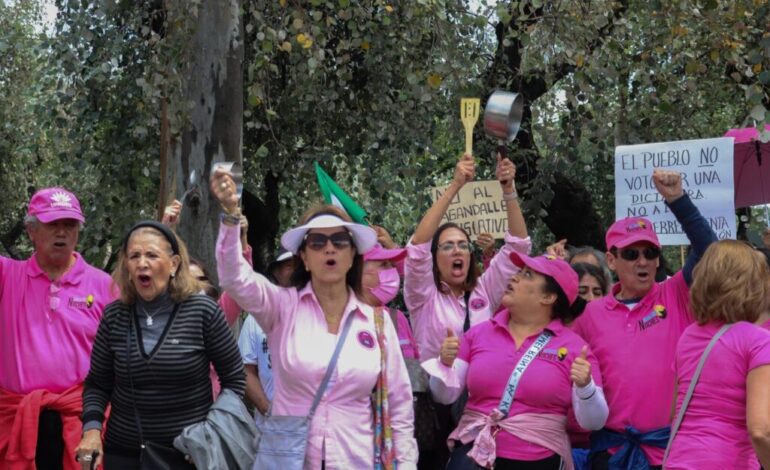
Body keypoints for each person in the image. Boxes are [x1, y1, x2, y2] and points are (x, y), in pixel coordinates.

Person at [212, 167, 418, 469]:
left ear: (352, 256)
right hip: (288, 460)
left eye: (339, 241)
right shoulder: (281, 307)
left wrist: (406, 465)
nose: (329, 248)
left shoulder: (377, 322)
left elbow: (399, 408)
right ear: (304, 258)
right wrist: (231, 217)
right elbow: (234, 278)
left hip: (356, 460)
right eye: (317, 242)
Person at [570, 169, 717, 469]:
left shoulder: (676, 293)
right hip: (611, 454)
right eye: (631, 253)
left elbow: (709, 250)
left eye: (650, 252)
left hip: (668, 453)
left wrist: (677, 199)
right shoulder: (590, 316)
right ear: (611, 260)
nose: (643, 261)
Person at [75, 221, 246, 469]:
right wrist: (91, 430)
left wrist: (210, 435)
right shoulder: (114, 316)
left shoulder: (203, 311)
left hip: (188, 454)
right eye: (134, 256)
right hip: (124, 454)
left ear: (174, 264)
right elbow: (98, 384)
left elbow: (234, 379)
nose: (142, 263)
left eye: (152, 255)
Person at [424, 252, 608, 469]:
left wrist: (585, 387)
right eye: (519, 272)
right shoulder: (478, 334)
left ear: (548, 297)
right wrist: (444, 364)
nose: (514, 278)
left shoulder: (575, 348)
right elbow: (443, 396)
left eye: (527, 275)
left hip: (539, 459)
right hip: (474, 454)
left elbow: (594, 421)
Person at [0, 187, 116, 470]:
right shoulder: (7, 276)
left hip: (81, 422)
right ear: (31, 231)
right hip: (17, 418)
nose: (62, 232)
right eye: (53, 224)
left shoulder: (105, 285)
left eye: (69, 224)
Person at [664, 240, 770, 469]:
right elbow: (760, 430)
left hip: (679, 460)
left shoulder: (688, 336)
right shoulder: (759, 341)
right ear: (755, 285)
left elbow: (674, 412)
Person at [237, 248, 293, 416]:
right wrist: (268, 410)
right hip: (272, 429)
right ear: (277, 271)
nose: (298, 270)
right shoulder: (257, 316)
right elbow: (245, 369)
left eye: (302, 264)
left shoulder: (325, 312)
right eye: (290, 265)